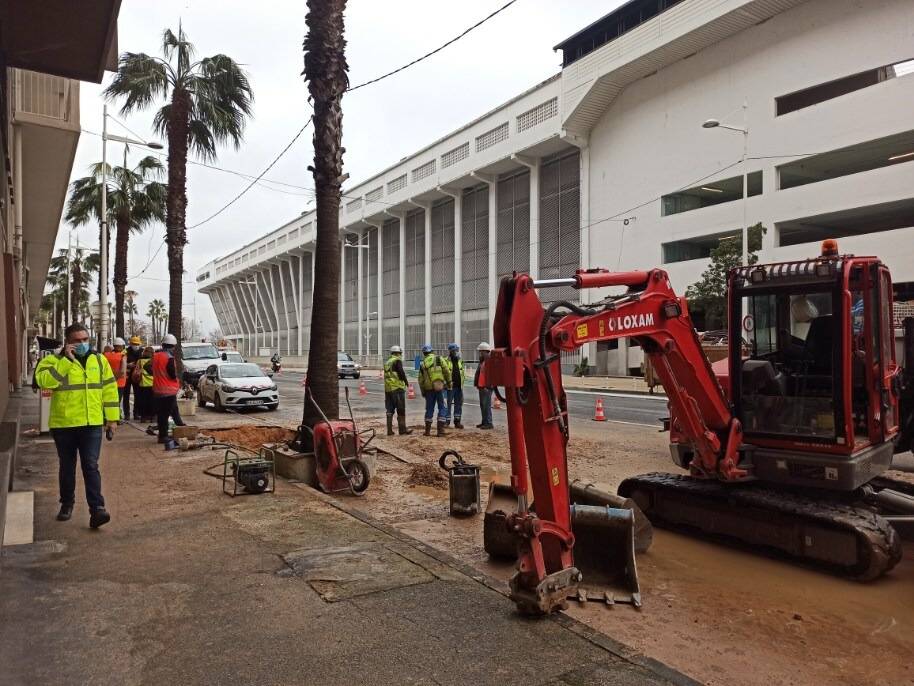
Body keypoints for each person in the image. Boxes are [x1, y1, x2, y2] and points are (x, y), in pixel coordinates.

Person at [34, 322, 119, 528]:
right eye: (77, 341)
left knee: (91, 465)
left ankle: (97, 509)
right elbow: (43, 381)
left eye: (85, 340)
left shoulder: (99, 360)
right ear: (68, 343)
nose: (82, 344)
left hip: (91, 423)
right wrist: (66, 361)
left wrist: (112, 419)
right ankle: (67, 503)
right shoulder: (53, 361)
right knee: (67, 466)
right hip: (64, 424)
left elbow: (109, 389)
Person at [152, 333, 186, 444]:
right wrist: (176, 379)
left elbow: (148, 367)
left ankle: (180, 424)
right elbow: (172, 374)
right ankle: (163, 436)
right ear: (173, 346)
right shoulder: (169, 358)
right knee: (164, 415)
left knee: (170, 410)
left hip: (157, 389)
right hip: (168, 390)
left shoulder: (156, 355)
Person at [418, 343, 450, 437]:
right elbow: (447, 371)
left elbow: (420, 380)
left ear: (424, 353)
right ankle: (440, 431)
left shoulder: (423, 363)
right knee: (442, 407)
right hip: (440, 387)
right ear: (432, 351)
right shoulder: (439, 359)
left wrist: (423, 391)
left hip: (428, 389)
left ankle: (427, 431)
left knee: (429, 409)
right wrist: (449, 383)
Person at [383, 345, 413, 436]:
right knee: (401, 409)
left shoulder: (388, 362)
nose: (400, 355)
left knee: (389, 409)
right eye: (400, 353)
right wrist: (406, 381)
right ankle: (402, 429)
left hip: (388, 388)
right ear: (398, 353)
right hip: (397, 387)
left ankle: (389, 430)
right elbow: (401, 372)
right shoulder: (397, 361)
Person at [103, 337, 128, 424]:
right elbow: (122, 371)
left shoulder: (106, 355)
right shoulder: (122, 356)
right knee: (117, 401)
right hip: (119, 382)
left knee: (107, 401)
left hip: (107, 382)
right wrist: (116, 378)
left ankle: (105, 418)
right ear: (121, 346)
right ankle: (115, 419)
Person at [445, 343, 465, 429]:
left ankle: (457, 422)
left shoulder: (460, 361)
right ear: (451, 351)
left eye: (457, 350)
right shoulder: (446, 361)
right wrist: (446, 383)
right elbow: (444, 374)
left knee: (458, 404)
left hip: (459, 387)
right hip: (449, 387)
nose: (457, 352)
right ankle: (447, 421)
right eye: (456, 350)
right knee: (447, 404)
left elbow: (462, 373)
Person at [474, 342, 494, 430]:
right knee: (483, 405)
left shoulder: (490, 361)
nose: (480, 353)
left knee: (486, 405)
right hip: (481, 386)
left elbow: (493, 375)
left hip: (487, 387)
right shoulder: (482, 361)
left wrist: (488, 386)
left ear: (486, 351)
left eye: (481, 351)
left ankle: (489, 423)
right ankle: (484, 422)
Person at [124, 335, 144, 420]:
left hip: (137, 376)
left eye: (137, 344)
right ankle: (127, 414)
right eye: (134, 344)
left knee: (138, 395)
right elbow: (121, 362)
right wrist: (128, 365)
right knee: (126, 395)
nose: (136, 346)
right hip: (127, 376)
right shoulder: (126, 352)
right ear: (130, 344)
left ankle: (136, 413)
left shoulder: (142, 352)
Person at [135, 346, 155, 422]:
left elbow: (136, 371)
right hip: (153, 383)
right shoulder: (153, 360)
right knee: (152, 401)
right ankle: (152, 417)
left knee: (143, 401)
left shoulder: (139, 361)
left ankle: (143, 417)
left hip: (143, 384)